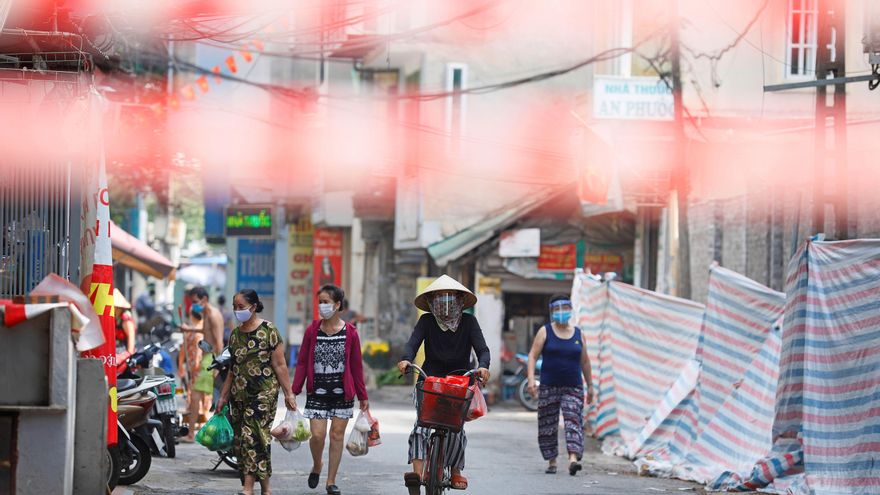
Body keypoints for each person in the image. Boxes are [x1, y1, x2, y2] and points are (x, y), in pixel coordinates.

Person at [396, 274, 490, 492]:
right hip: (429, 382)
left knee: (456, 429)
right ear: (431, 302)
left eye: (449, 298)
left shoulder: (469, 322)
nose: (444, 303)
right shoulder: (426, 321)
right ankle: (417, 474)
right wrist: (406, 359)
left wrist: (483, 365)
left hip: (459, 384)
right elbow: (412, 344)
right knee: (420, 427)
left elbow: (482, 350)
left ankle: (456, 470)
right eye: (439, 298)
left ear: (459, 300)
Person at [216, 289, 296, 495]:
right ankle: (266, 489)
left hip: (264, 393)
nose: (237, 310)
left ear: (253, 306)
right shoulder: (234, 335)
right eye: (235, 307)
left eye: (241, 307)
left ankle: (247, 488)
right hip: (239, 395)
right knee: (249, 440)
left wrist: (289, 393)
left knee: (250, 435)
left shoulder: (269, 331)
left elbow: (280, 365)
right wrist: (223, 396)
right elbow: (232, 370)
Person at [291, 284, 369, 495]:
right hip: (317, 394)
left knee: (336, 436)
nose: (322, 306)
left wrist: (363, 395)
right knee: (317, 435)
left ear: (337, 305)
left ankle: (331, 481)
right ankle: (318, 465)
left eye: (326, 302)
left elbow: (356, 366)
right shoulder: (312, 330)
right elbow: (302, 361)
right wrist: (294, 390)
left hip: (342, 394)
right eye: (320, 302)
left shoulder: (351, 332)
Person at [526, 295, 594, 476]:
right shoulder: (545, 331)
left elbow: (585, 362)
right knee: (548, 424)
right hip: (549, 386)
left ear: (571, 310)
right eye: (557, 309)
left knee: (573, 421)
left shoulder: (580, 334)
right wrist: (531, 380)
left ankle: (573, 459)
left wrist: (591, 386)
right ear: (552, 312)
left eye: (565, 308)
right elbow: (533, 355)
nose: (561, 312)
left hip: (574, 386)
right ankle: (552, 461)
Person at [180, 308, 213, 442]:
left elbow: (201, 349)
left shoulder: (200, 330)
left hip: (200, 367)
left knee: (196, 397)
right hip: (201, 366)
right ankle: (197, 429)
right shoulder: (198, 329)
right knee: (199, 397)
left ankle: (195, 431)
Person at [114, 288, 136, 355]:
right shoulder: (116, 318)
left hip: (124, 353)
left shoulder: (126, 319)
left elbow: (131, 338)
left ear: (118, 307)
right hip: (117, 351)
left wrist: (129, 354)